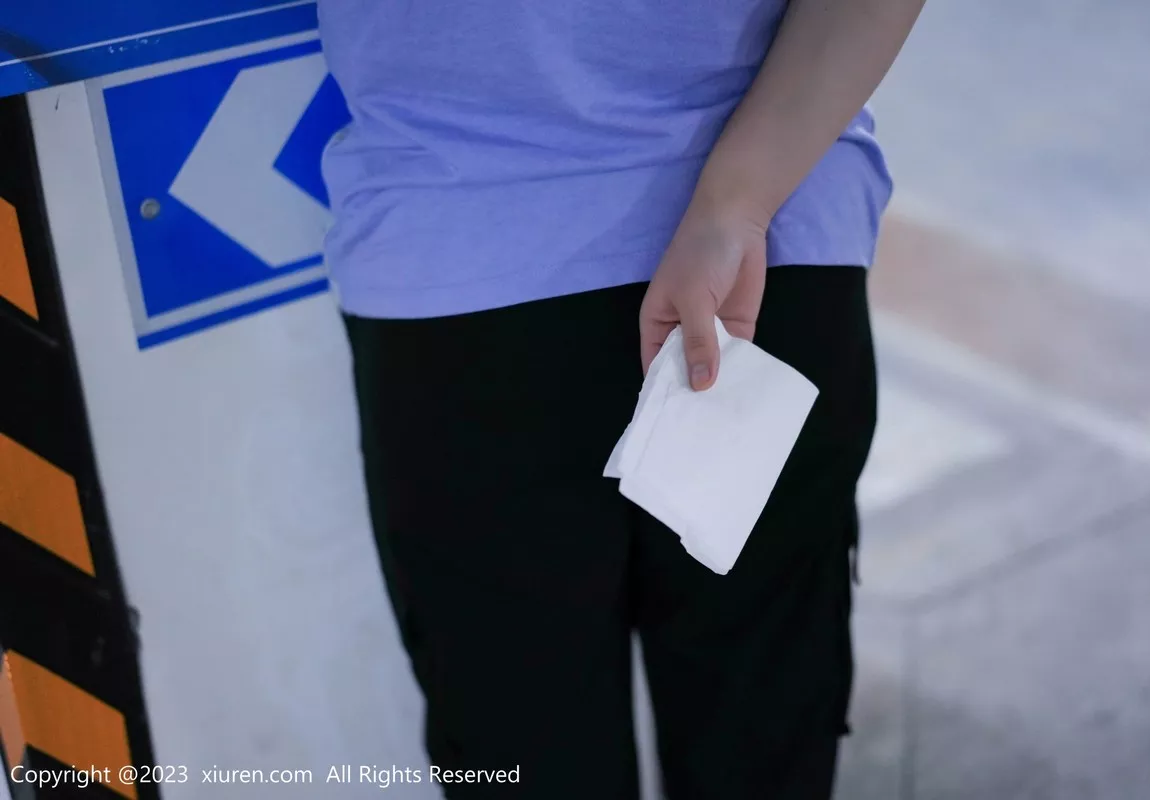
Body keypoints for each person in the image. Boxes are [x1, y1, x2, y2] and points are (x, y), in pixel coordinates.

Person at [317, 1, 924, 797]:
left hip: (464, 260)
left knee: (524, 750)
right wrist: (735, 206)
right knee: (759, 736)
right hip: (763, 247)